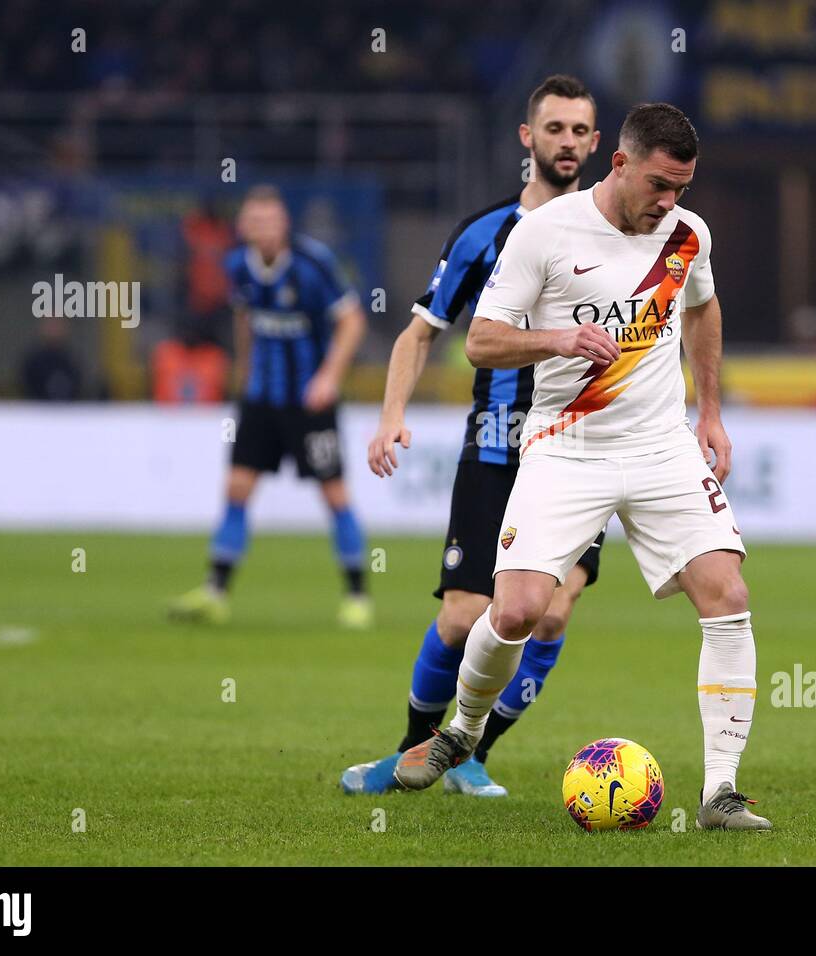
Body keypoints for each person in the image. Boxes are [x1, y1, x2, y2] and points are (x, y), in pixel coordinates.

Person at [392, 103, 772, 831]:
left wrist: (712, 412)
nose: (670, 203)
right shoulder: (544, 233)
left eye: (682, 188)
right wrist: (562, 339)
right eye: (660, 185)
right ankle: (461, 733)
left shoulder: (688, 235)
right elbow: (481, 342)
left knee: (727, 592)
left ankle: (721, 791)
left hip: (661, 445)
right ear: (620, 163)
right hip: (566, 448)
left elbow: (702, 309)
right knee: (517, 610)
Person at [340, 75, 602, 797]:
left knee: (551, 611)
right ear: (528, 137)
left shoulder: (613, 236)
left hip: (579, 453)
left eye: (581, 131)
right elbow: (420, 331)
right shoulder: (485, 234)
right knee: (465, 615)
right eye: (555, 129)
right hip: (495, 447)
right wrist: (392, 415)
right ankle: (408, 752)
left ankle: (472, 750)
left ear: (597, 142)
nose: (568, 143)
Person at [169, 185, 371, 628]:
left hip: (310, 402)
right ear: (243, 226)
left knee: (334, 494)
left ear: (284, 223)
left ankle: (357, 596)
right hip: (261, 399)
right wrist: (244, 375)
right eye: (253, 221)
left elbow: (353, 320)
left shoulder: (312, 263)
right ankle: (215, 592)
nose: (261, 228)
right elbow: (245, 319)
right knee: (237, 489)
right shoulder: (236, 265)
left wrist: (329, 378)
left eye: (270, 220)